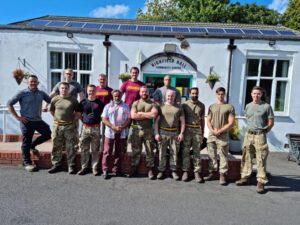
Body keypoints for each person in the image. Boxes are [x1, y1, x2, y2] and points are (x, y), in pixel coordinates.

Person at [7, 75, 51, 172]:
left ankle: (33, 145)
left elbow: (51, 101)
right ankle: (27, 162)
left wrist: (48, 106)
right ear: (28, 83)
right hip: (26, 121)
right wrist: (18, 117)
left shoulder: (41, 93)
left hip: (38, 120)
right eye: (31, 81)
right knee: (26, 142)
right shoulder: (22, 93)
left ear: (38, 83)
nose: (33, 83)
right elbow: (9, 104)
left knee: (48, 134)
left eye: (35, 81)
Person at [236, 86, 274, 194]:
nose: (256, 95)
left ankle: (261, 182)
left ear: (261, 95)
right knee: (246, 156)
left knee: (261, 158)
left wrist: (264, 132)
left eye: (258, 93)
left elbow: (271, 123)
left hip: (260, 135)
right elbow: (248, 119)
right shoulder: (248, 106)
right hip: (248, 135)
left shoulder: (266, 107)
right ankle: (245, 177)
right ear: (251, 94)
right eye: (254, 93)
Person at [48, 82, 82, 174]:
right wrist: (57, 119)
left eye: (66, 88)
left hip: (69, 127)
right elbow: (52, 111)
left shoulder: (74, 100)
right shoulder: (55, 99)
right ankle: (56, 164)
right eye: (62, 88)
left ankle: (71, 165)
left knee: (70, 147)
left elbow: (78, 113)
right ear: (59, 89)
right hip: (57, 126)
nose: (64, 90)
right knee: (56, 146)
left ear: (68, 89)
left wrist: (72, 120)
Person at [205, 87, 235, 185]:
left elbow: (231, 123)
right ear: (216, 95)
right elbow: (208, 120)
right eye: (218, 94)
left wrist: (221, 130)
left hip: (223, 135)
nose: (220, 96)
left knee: (223, 155)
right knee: (211, 154)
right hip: (212, 135)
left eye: (222, 94)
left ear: (224, 94)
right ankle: (212, 172)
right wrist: (212, 130)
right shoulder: (212, 106)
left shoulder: (229, 107)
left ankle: (222, 175)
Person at [155, 89, 185, 180]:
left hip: (174, 133)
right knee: (161, 153)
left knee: (174, 153)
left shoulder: (179, 108)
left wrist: (181, 133)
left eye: (172, 96)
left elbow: (183, 122)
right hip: (163, 132)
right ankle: (161, 171)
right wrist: (156, 133)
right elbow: (156, 121)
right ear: (166, 96)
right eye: (168, 96)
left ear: (174, 97)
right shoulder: (161, 107)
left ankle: (174, 171)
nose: (170, 97)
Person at [101, 90, 131, 179]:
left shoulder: (126, 106)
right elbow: (104, 119)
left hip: (121, 132)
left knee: (119, 152)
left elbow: (129, 119)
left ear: (121, 96)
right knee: (107, 152)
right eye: (115, 96)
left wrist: (122, 127)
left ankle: (117, 170)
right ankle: (105, 170)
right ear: (112, 96)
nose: (117, 98)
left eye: (118, 96)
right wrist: (113, 127)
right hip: (110, 132)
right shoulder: (108, 106)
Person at [130, 86, 158, 179]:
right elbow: (133, 116)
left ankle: (150, 169)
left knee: (149, 150)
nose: (144, 93)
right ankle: (134, 167)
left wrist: (141, 113)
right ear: (139, 93)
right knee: (136, 150)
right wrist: (147, 115)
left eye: (146, 91)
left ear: (148, 93)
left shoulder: (153, 103)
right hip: (137, 130)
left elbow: (153, 115)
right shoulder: (136, 103)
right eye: (142, 92)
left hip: (148, 130)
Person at [77, 85, 104, 176]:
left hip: (96, 128)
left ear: (96, 91)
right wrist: (84, 120)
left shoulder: (100, 103)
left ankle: (94, 168)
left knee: (95, 149)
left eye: (93, 91)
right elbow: (78, 114)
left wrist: (97, 122)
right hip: (85, 128)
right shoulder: (83, 102)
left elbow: (102, 115)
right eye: (89, 91)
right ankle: (84, 167)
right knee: (84, 148)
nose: (91, 92)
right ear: (87, 91)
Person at [181, 87, 205, 183]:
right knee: (185, 151)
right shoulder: (185, 105)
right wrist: (181, 132)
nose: (194, 95)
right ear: (190, 94)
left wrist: (203, 132)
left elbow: (202, 119)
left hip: (197, 130)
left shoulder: (202, 105)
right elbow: (181, 119)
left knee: (197, 153)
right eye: (193, 93)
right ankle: (185, 171)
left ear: (198, 93)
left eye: (196, 93)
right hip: (187, 130)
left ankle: (197, 172)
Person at [95, 74, 113, 152]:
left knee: (107, 131)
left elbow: (113, 102)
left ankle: (105, 148)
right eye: (101, 79)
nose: (102, 81)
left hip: (106, 114)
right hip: (97, 113)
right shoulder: (95, 89)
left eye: (104, 79)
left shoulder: (110, 90)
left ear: (106, 80)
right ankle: (97, 148)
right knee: (96, 131)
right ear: (98, 80)